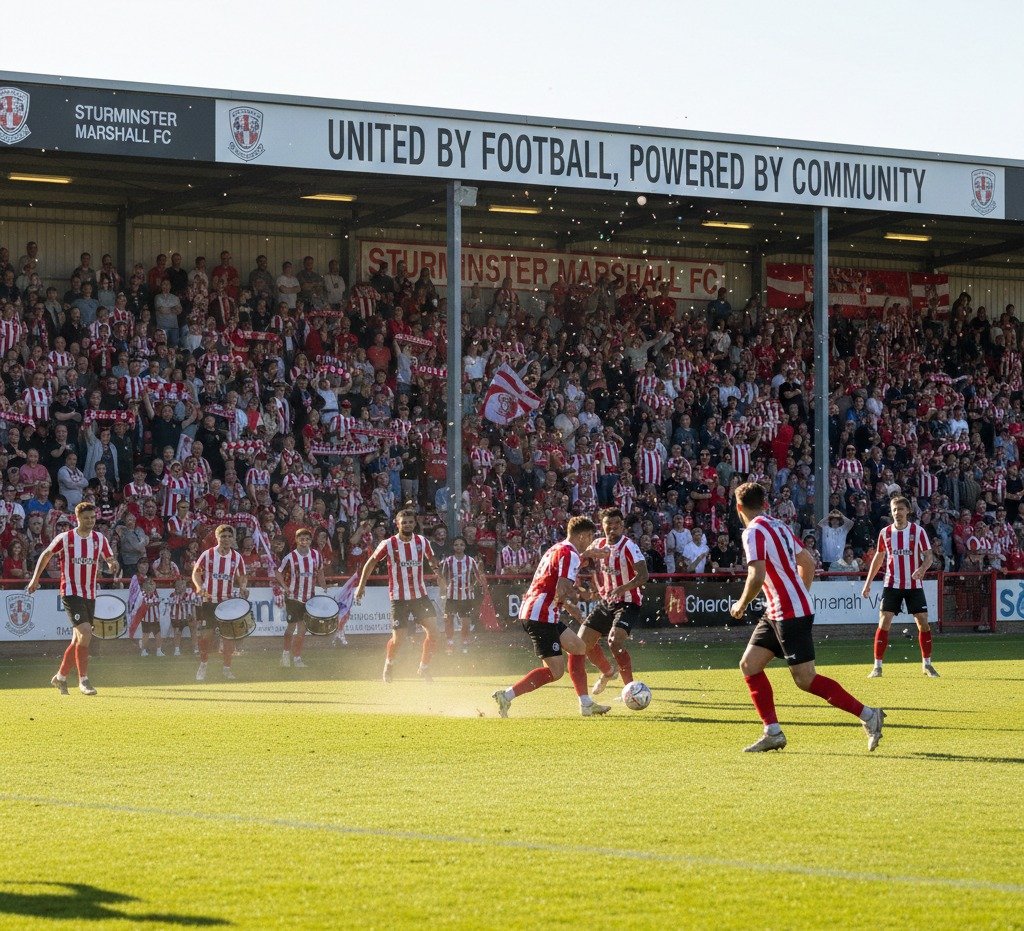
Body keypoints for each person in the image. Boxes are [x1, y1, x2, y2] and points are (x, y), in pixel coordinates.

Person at [729, 482, 885, 752]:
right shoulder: (778, 526)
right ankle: (773, 732)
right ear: (764, 503)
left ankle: (870, 715)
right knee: (749, 665)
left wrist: (741, 604)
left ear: (738, 507)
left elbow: (756, 575)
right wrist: (799, 593)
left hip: (789, 612)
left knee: (805, 679)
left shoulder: (752, 532)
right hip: (778, 610)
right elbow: (808, 563)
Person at [492, 515, 611, 718]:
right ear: (582, 536)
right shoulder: (570, 554)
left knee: (578, 646)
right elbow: (563, 588)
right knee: (555, 672)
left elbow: (559, 576)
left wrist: (588, 554)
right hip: (541, 614)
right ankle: (507, 695)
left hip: (541, 611)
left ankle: (586, 703)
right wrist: (576, 606)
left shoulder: (558, 548)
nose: (591, 540)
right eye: (590, 536)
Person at [27, 501, 120, 697]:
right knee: (85, 632)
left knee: (79, 638)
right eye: (86, 518)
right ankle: (83, 680)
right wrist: (35, 579)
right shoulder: (66, 537)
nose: (90, 521)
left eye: (93, 518)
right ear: (77, 518)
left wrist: (113, 564)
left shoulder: (99, 538)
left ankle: (60, 677)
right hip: (70, 591)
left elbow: (110, 558)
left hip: (90, 593)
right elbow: (46, 554)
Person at [354, 508, 443, 683]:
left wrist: (439, 574)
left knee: (434, 633)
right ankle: (389, 664)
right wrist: (361, 586)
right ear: (397, 524)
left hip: (420, 596)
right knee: (398, 639)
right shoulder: (389, 543)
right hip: (399, 597)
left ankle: (424, 668)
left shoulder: (422, 541)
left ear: (415, 523)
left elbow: (432, 559)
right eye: (404, 522)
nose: (407, 525)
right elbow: (371, 563)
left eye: (410, 522)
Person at [861, 496, 938, 678]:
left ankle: (927, 664)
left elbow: (929, 556)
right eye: (894, 509)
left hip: (913, 584)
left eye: (901, 509)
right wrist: (867, 583)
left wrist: (922, 569)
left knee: (923, 622)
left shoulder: (918, 531)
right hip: (892, 584)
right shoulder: (885, 532)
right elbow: (879, 558)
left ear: (908, 511)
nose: (897, 513)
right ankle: (877, 666)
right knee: (884, 621)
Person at [578, 507, 647, 697]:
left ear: (622, 525)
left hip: (628, 602)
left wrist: (623, 588)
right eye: (609, 523)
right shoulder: (597, 545)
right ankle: (608, 672)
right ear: (602, 525)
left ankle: (631, 689)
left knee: (614, 641)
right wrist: (591, 584)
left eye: (617, 523)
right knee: (582, 643)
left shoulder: (629, 546)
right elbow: (584, 563)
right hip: (606, 602)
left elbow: (643, 575)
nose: (613, 527)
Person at [191, 525, 248, 682]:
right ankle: (203, 666)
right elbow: (196, 573)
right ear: (217, 538)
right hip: (210, 600)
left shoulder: (237, 557)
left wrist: (243, 587)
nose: (226, 539)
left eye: (229, 536)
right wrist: (199, 587)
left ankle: (226, 669)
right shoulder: (208, 554)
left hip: (227, 602)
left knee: (228, 637)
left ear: (233, 538)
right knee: (207, 636)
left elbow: (242, 576)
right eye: (223, 536)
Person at [276, 528, 326, 669]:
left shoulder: (316, 555)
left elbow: (320, 572)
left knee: (302, 630)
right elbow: (278, 573)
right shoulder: (290, 557)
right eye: (301, 539)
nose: (304, 541)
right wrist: (285, 587)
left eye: (307, 539)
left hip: (309, 598)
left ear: (310, 541)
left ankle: (297, 657)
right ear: (296, 540)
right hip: (293, 597)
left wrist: (324, 587)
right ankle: (285, 655)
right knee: (291, 627)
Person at [439, 536, 489, 655]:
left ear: (465, 547)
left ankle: (464, 642)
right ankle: (450, 642)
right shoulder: (448, 561)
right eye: (456, 544)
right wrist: (444, 589)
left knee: (465, 623)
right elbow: (442, 576)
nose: (459, 547)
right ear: (453, 547)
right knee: (449, 621)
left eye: (461, 544)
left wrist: (476, 585)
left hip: (466, 596)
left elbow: (477, 575)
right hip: (451, 596)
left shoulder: (470, 560)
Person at [168, 577, 199, 657]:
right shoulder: (172, 595)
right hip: (177, 617)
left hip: (189, 616)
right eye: (179, 585)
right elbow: (171, 607)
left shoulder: (191, 594)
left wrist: (194, 617)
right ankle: (177, 650)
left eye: (182, 584)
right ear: (176, 586)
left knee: (194, 631)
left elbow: (194, 606)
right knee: (177, 632)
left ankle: (196, 649)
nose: (181, 586)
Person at [138, 577, 164, 657]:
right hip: (146, 619)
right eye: (149, 585)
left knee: (158, 634)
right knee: (146, 635)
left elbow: (158, 602)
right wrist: (154, 603)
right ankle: (143, 651)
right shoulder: (142, 594)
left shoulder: (155, 594)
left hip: (155, 618)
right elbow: (144, 604)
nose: (151, 587)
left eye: (152, 585)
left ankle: (159, 650)